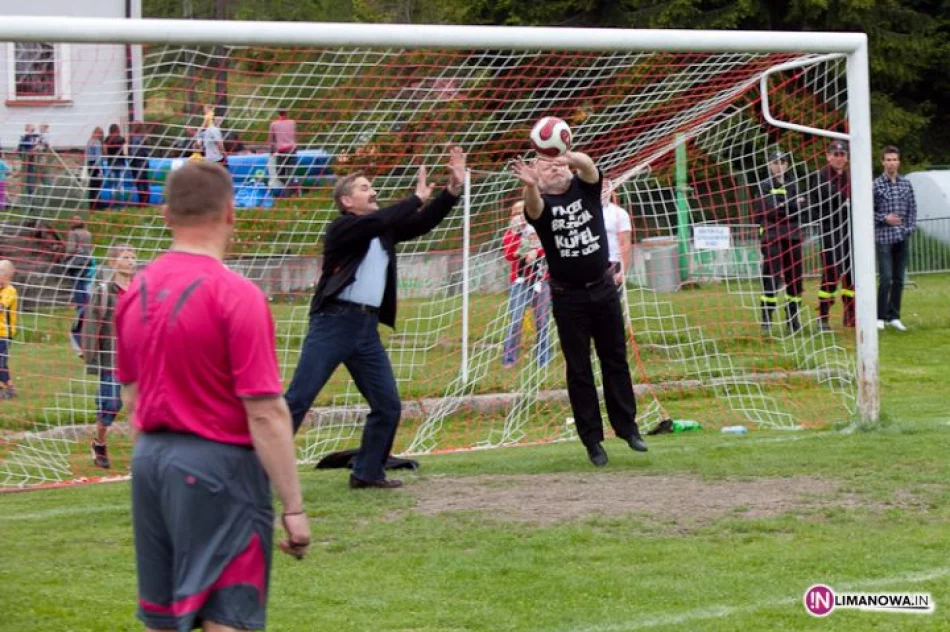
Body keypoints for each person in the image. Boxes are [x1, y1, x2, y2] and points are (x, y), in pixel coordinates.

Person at [115, 162, 310, 631]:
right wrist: (295, 508)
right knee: (227, 615)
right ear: (230, 212)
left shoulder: (134, 291)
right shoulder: (235, 293)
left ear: (166, 214)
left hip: (151, 463)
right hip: (218, 466)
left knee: (165, 619)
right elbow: (264, 412)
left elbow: (132, 398)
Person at [285, 147, 466, 489]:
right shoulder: (342, 228)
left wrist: (451, 190)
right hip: (333, 323)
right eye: (365, 188)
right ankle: (255, 469)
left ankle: (367, 473)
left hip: (365, 329)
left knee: (387, 404)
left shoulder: (383, 231)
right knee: (298, 399)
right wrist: (415, 197)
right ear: (346, 202)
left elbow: (421, 223)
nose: (374, 192)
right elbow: (381, 220)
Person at [511, 151, 647, 467]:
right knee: (579, 368)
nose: (555, 168)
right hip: (567, 296)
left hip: (603, 288)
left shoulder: (585, 188)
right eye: (546, 165)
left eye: (559, 163)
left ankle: (628, 428)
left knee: (615, 358)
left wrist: (563, 152)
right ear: (538, 176)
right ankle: (593, 441)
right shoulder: (540, 202)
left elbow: (589, 167)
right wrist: (531, 185)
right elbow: (533, 207)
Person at [82, 244, 136, 469]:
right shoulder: (103, 291)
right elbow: (91, 324)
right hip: (111, 357)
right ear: (113, 262)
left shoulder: (141, 289)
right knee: (111, 403)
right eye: (125, 257)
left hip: (138, 359)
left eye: (134, 257)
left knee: (139, 407)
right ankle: (99, 442)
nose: (131, 261)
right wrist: (90, 354)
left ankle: (141, 457)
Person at [755, 150, 805, 334]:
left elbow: (801, 209)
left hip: (793, 236)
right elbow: (769, 210)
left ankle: (793, 319)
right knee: (771, 278)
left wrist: (786, 206)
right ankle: (767, 319)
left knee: (795, 279)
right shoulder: (763, 185)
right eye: (775, 162)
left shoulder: (794, 184)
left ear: (787, 165)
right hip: (772, 236)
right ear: (769, 165)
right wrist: (791, 204)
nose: (779, 166)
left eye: (782, 162)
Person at [501, 201, 552, 368]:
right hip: (519, 281)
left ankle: (543, 360)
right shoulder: (510, 233)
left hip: (541, 279)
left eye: (523, 212)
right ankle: (509, 360)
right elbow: (509, 255)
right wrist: (522, 248)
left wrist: (536, 252)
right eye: (516, 213)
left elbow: (550, 246)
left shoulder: (540, 227)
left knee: (542, 321)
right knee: (515, 321)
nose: (520, 216)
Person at [873, 145, 917, 332]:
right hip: (883, 237)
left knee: (899, 279)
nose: (891, 163)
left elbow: (912, 208)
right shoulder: (876, 185)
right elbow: (868, 210)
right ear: (883, 162)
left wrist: (909, 228)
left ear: (899, 162)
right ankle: (879, 317)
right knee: (886, 278)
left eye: (894, 159)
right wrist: (884, 219)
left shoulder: (906, 184)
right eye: (888, 159)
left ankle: (894, 316)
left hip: (902, 237)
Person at [811, 140, 853, 330]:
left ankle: (850, 315)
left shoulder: (850, 177)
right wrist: (841, 198)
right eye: (835, 154)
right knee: (831, 273)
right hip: (829, 230)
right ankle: (824, 316)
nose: (839, 158)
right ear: (828, 156)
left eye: (842, 154)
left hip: (849, 230)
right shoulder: (820, 176)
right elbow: (821, 200)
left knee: (852, 275)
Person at [63, 215, 94, 357]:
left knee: (77, 283)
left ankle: (80, 303)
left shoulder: (73, 233)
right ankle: (84, 301)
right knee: (83, 281)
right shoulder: (88, 233)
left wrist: (65, 258)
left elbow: (70, 249)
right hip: (86, 261)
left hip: (76, 261)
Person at [602, 183, 632, 287]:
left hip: (612, 262)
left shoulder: (619, 213)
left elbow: (625, 243)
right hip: (588, 263)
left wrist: (623, 271)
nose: (603, 190)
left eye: (605, 187)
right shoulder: (581, 210)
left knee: (611, 301)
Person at [269, 108, 298, 194]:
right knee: (290, 172)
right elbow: (295, 135)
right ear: (287, 113)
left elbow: (271, 139)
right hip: (292, 149)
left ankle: (290, 191)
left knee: (280, 173)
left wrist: (271, 151)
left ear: (278, 113)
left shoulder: (274, 124)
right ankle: (293, 188)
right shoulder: (292, 123)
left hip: (282, 151)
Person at [0, 260, 18, 400]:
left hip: (4, 334)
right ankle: (8, 387)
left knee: (1, 362)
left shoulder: (10, 291)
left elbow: (1, 306)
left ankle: (7, 388)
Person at [127, 121, 151, 206]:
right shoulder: (145, 137)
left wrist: (130, 159)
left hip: (137, 162)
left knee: (139, 183)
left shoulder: (135, 137)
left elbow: (134, 151)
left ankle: (142, 202)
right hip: (144, 162)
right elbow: (148, 151)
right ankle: (146, 201)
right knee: (145, 182)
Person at [103, 123, 126, 202]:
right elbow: (123, 147)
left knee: (112, 183)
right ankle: (122, 202)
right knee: (121, 182)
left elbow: (105, 151)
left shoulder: (107, 139)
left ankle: (113, 201)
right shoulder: (121, 139)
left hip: (111, 162)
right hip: (120, 162)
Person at [85, 127, 105, 210]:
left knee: (92, 185)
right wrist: (100, 169)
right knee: (98, 185)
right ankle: (97, 204)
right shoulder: (97, 142)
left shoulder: (89, 141)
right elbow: (98, 156)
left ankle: (92, 204)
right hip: (96, 165)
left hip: (90, 164)